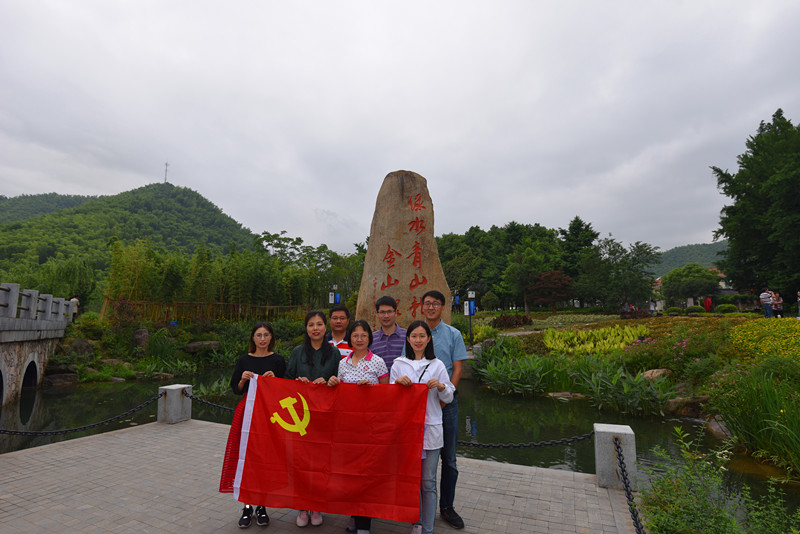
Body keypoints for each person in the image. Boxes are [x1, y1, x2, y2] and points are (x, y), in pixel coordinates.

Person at [391, 320, 455, 534]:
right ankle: (416, 521)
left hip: (431, 428)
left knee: (428, 482)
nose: (418, 340)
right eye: (414, 336)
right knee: (411, 480)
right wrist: (397, 385)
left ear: (429, 339)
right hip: (408, 430)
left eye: (422, 336)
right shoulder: (399, 364)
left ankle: (427, 528)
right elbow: (391, 399)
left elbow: (449, 396)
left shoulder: (437, 365)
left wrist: (441, 386)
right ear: (408, 339)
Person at [221, 322, 287, 529]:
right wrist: (242, 379)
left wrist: (275, 380)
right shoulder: (244, 360)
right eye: (258, 335)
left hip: (269, 415)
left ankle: (262, 506)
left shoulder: (278, 360)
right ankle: (247, 507)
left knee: (265, 459)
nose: (262, 339)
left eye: (266, 335)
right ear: (252, 338)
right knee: (246, 458)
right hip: (248, 413)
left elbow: (286, 389)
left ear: (271, 337)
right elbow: (236, 389)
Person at [327, 320, 389, 534]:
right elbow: (340, 393)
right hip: (348, 428)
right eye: (355, 335)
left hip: (370, 428)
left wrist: (371, 390)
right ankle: (354, 515)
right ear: (350, 338)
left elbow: (387, 394)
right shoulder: (343, 362)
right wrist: (334, 384)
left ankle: (364, 524)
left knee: (366, 475)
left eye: (363, 335)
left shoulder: (378, 362)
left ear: (369, 338)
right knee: (351, 474)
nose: (359, 339)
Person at [286, 311, 341, 527]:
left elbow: (340, 380)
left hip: (324, 415)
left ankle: (317, 506)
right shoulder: (297, 352)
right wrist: (297, 381)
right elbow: (286, 379)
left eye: (319, 324)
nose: (315, 328)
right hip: (300, 416)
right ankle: (302, 507)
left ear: (326, 327)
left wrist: (330, 381)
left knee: (320, 462)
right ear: (306, 328)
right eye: (311, 324)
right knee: (301, 461)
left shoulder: (334, 353)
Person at [421, 290, 467, 529]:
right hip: (421, 407)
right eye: (427, 303)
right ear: (421, 307)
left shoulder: (453, 334)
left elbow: (457, 369)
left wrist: (445, 398)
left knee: (449, 459)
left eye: (435, 304)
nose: (431, 307)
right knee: (420, 459)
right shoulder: (416, 333)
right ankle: (420, 506)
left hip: (446, 405)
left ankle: (447, 507)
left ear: (442, 307)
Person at [370, 295, 407, 372]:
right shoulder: (371, 339)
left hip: (403, 379)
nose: (386, 316)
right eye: (382, 312)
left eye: (389, 312)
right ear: (377, 314)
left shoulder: (407, 336)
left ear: (396, 313)